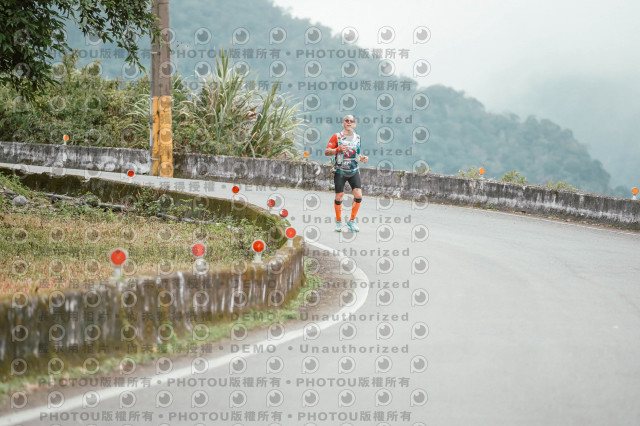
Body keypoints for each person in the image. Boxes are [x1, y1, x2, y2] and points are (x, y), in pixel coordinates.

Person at [325, 114, 368, 232]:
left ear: (355, 124)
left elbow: (356, 154)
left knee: (358, 195)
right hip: (340, 171)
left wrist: (362, 158)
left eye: (351, 121)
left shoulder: (357, 137)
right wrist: (337, 150)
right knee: (339, 196)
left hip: (354, 171)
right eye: (347, 120)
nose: (349, 122)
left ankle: (352, 221)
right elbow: (327, 152)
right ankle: (339, 223)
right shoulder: (337, 137)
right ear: (343, 123)